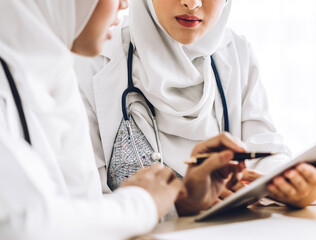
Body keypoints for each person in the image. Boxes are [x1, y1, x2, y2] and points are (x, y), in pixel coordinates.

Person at [0, 0, 245, 239]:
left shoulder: (53, 78)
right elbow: (22, 224)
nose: (125, 4)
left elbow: (82, 211)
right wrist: (142, 202)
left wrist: (178, 200)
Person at [75, 0, 316, 209]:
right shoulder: (90, 60)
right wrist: (178, 204)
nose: (193, 3)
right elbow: (81, 202)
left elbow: (264, 151)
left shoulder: (236, 52)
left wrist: (293, 183)